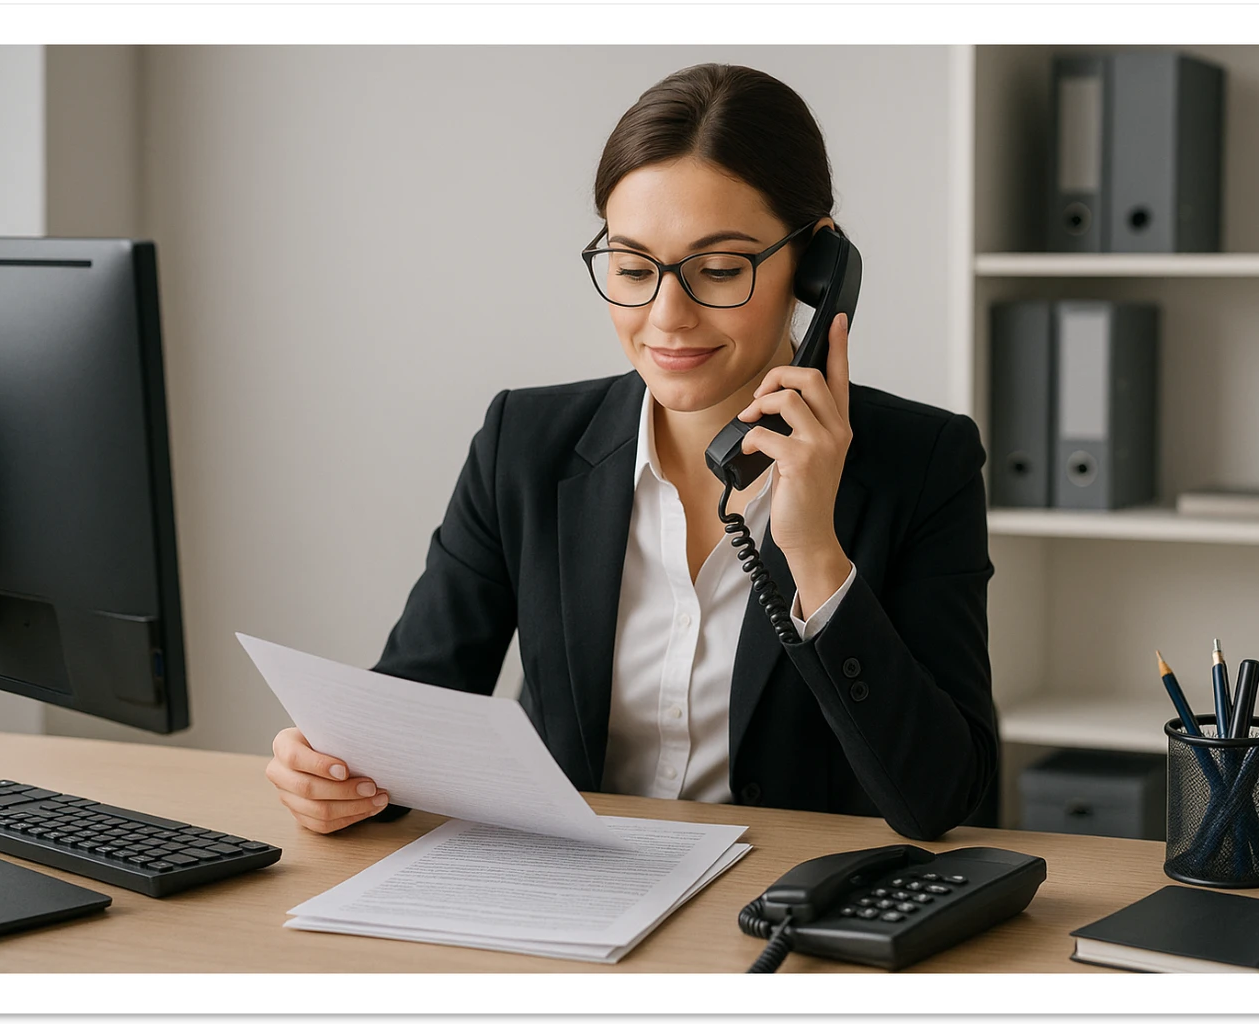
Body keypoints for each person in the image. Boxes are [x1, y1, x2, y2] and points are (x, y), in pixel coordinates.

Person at [265, 63, 998, 841]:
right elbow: (409, 716)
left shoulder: (924, 465)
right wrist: (333, 769)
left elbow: (942, 801)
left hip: (780, 918)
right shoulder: (524, 444)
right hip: (569, 903)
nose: (666, 316)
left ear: (817, 271)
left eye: (719, 269)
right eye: (633, 268)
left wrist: (814, 550)